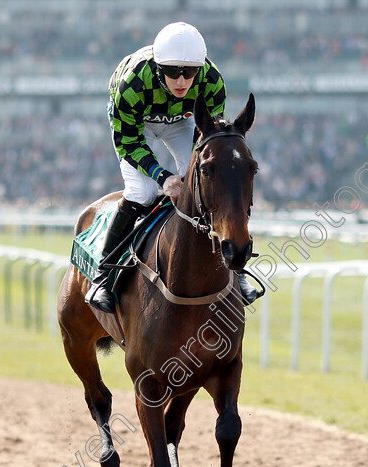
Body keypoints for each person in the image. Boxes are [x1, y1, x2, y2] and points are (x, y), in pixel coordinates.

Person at [85, 21, 259, 313]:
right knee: (142, 192)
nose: (181, 81)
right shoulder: (132, 84)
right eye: (172, 72)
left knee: (203, 186)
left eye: (189, 72)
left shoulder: (213, 82)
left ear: (199, 68)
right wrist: (163, 177)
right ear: (157, 67)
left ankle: (235, 271)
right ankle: (103, 275)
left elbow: (209, 139)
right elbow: (129, 143)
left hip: (182, 122)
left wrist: (191, 175)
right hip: (138, 125)